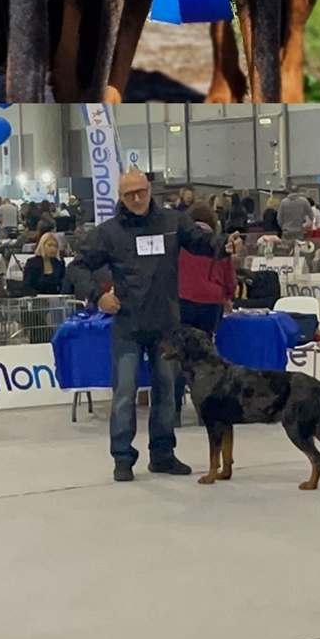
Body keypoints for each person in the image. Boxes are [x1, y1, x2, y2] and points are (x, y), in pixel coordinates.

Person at [70, 169, 237, 481]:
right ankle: (122, 458)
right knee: (124, 394)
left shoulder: (173, 223)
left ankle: (162, 455)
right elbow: (78, 267)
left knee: (166, 394)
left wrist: (223, 244)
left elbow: (200, 240)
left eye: (141, 192)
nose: (137, 199)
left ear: (150, 191)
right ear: (120, 197)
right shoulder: (108, 233)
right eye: (129, 194)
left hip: (166, 326)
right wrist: (97, 296)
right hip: (129, 326)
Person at [174, 202, 236, 421]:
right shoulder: (219, 244)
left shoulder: (180, 243)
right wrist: (227, 296)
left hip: (183, 302)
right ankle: (204, 412)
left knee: (181, 356)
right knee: (206, 357)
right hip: (211, 305)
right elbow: (229, 279)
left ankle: (174, 411)